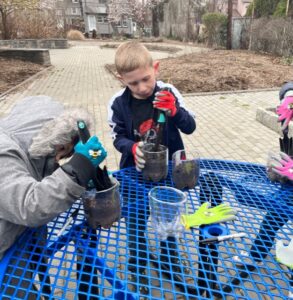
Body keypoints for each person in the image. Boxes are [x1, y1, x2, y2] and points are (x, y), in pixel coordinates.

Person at [107, 41, 196, 292]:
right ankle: (138, 269)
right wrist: (132, 148)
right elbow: (117, 136)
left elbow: (190, 127)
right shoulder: (117, 103)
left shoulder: (168, 92)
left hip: (169, 173)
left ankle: (170, 261)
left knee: (168, 220)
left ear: (155, 68)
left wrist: (175, 112)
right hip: (133, 176)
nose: (142, 87)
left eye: (146, 79)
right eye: (133, 83)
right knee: (135, 223)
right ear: (120, 78)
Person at [0, 95, 107, 298]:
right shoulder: (3, 152)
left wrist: (86, 177)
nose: (59, 158)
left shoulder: (27, 147)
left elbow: (39, 173)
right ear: (46, 135)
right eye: (61, 151)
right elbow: (30, 205)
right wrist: (77, 169)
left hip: (17, 242)